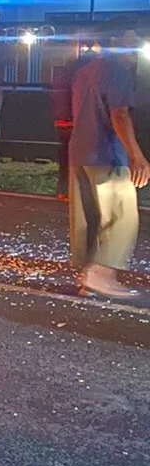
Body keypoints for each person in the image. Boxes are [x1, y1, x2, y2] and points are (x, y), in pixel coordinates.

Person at [68, 22, 149, 298]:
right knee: (120, 217)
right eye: (132, 36)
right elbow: (120, 115)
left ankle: (86, 278)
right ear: (116, 39)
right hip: (107, 155)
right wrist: (137, 156)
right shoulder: (118, 71)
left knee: (88, 218)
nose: (137, 43)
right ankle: (101, 274)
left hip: (79, 153)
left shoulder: (84, 72)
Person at [51, 50, 95, 199]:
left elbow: (57, 99)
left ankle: (64, 190)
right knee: (82, 157)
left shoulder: (65, 77)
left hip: (63, 123)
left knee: (65, 156)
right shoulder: (86, 79)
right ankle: (77, 190)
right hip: (77, 124)